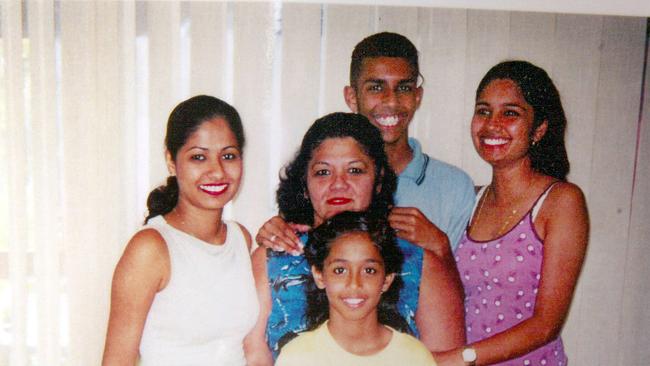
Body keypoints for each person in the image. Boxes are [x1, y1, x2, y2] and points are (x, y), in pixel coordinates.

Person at [243, 113, 465, 365]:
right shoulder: (272, 257)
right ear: (304, 184)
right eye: (323, 172)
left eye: (355, 170)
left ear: (379, 180)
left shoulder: (419, 263)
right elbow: (255, 356)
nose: (339, 183)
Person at [257, 31, 474, 266]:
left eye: (404, 88)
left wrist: (439, 246)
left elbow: (463, 291)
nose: (391, 101)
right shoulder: (323, 182)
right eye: (375, 88)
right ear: (351, 97)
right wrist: (274, 235)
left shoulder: (454, 186)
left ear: (418, 96)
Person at [435, 61, 589, 365]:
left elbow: (546, 325)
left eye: (510, 113)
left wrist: (458, 358)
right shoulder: (470, 197)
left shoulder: (561, 201)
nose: (492, 124)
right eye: (483, 111)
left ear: (539, 129)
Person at [102, 95, 258, 366]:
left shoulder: (240, 238)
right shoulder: (151, 248)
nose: (217, 171)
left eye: (228, 156)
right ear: (172, 161)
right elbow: (117, 360)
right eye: (198, 157)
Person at [275, 211, 437, 366]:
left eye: (369, 270)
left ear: (387, 280)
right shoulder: (298, 357)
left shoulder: (413, 356)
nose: (354, 283)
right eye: (340, 270)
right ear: (319, 276)